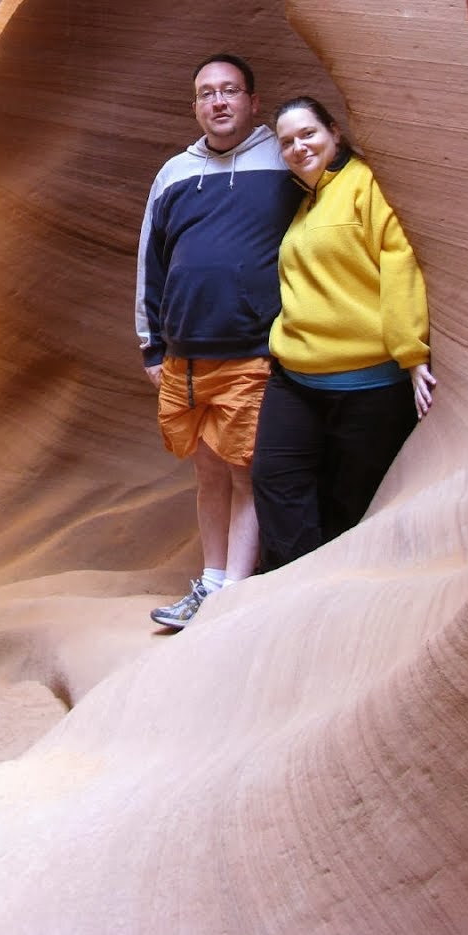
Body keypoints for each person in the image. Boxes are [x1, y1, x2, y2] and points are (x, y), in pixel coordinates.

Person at [136, 54, 300, 629]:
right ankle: (210, 584)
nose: (219, 102)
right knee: (207, 471)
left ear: (253, 101)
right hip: (184, 355)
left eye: (230, 91)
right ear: (196, 106)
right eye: (207, 94)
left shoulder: (284, 162)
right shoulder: (175, 173)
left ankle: (232, 595)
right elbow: (150, 263)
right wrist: (151, 344)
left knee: (243, 471)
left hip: (253, 349)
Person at [251, 96, 436, 570]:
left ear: (335, 132)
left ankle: (342, 598)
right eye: (287, 142)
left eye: (308, 134)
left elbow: (398, 263)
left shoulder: (365, 185)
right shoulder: (303, 202)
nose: (298, 147)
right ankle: (298, 585)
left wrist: (411, 353)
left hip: (368, 381)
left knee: (353, 499)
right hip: (295, 376)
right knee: (276, 479)